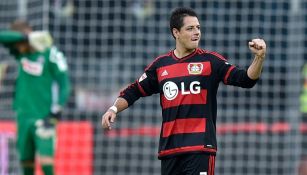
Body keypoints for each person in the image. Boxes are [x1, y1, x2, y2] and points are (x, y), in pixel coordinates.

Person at [101, 7, 266, 175]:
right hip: (170, 151)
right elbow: (134, 90)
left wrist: (259, 57)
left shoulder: (210, 61)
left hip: (200, 148)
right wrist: (113, 109)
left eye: (198, 28)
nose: (197, 33)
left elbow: (246, 79)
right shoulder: (161, 65)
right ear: (176, 32)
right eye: (190, 28)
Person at [0, 20, 71, 175]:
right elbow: (2, 37)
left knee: (46, 164)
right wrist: (24, 38)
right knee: (26, 163)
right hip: (23, 117)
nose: (19, 46)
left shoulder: (51, 53)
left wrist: (56, 110)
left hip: (44, 116)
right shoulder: (20, 53)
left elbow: (64, 84)